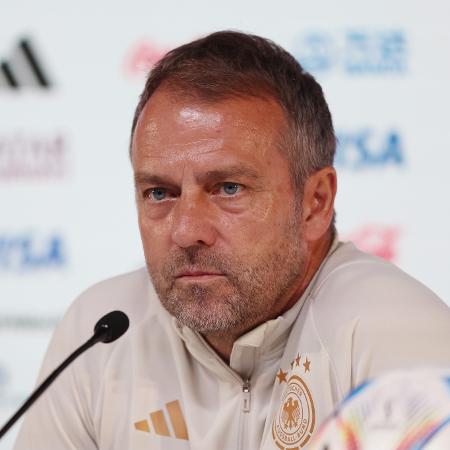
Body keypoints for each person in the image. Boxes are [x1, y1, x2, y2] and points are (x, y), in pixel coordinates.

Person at [14, 31, 450, 450]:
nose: (186, 231)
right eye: (160, 193)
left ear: (315, 202)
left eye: (228, 188)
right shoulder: (98, 334)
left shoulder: (400, 340)